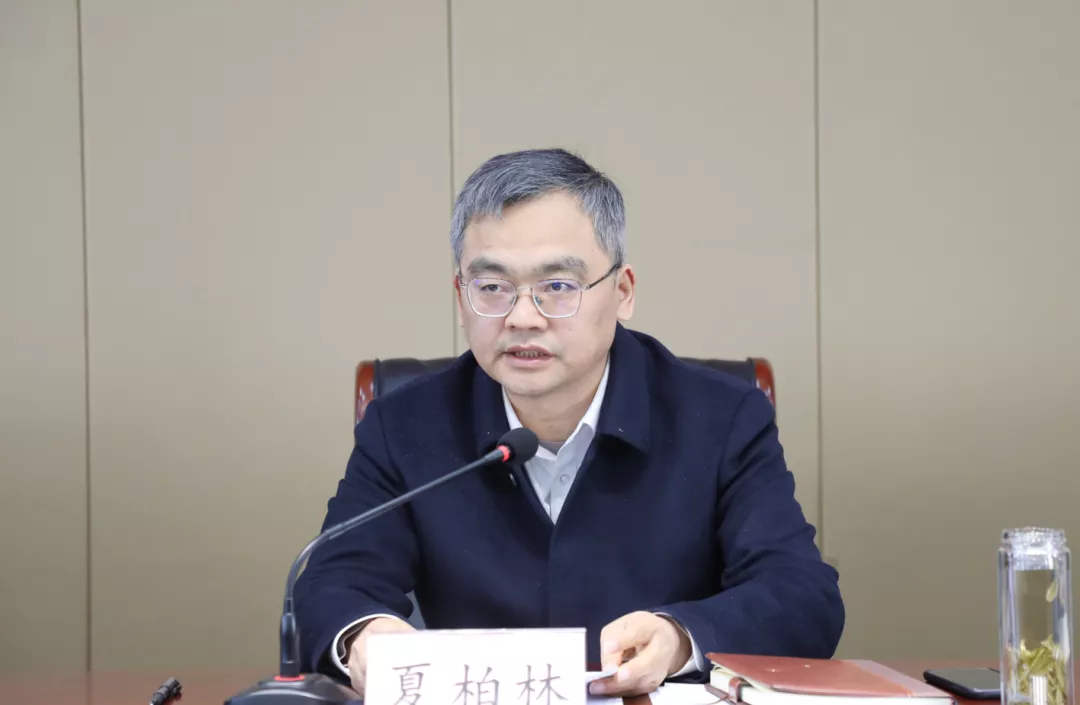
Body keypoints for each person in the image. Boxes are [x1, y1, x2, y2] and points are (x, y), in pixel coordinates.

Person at [294, 148, 844, 697]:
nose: (522, 317)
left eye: (557, 286)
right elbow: (332, 582)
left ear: (623, 292)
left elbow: (801, 594)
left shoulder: (721, 418)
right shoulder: (406, 424)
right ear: (461, 298)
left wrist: (680, 638)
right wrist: (362, 635)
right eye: (492, 287)